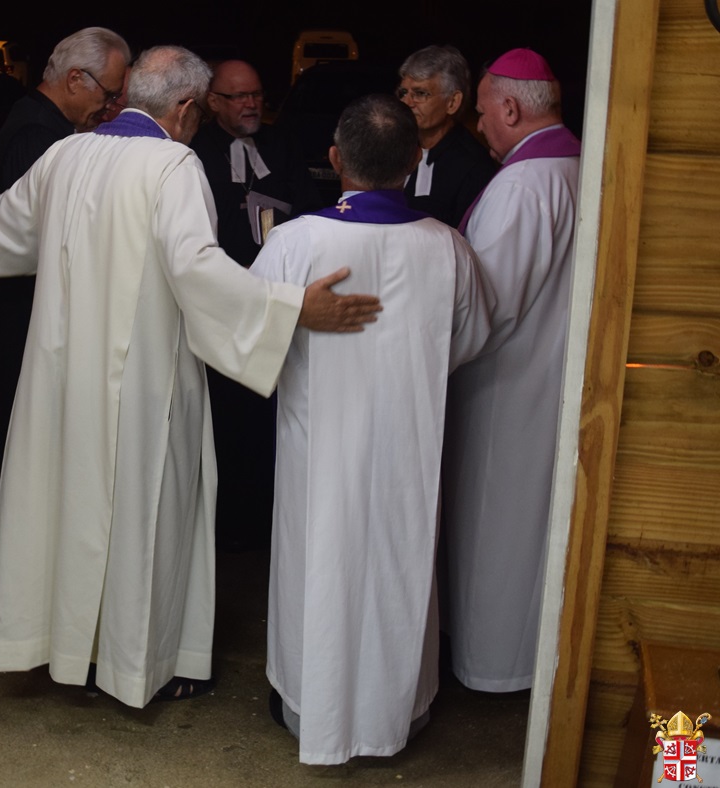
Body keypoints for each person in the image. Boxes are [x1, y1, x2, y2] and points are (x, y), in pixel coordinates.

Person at [0, 45, 383, 709]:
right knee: (149, 514)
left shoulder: (65, 154)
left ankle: (75, 653)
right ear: (185, 109)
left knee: (71, 510)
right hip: (143, 383)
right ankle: (139, 664)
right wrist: (294, 308)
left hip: (63, 383)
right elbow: (197, 271)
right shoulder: (174, 165)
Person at [249, 93, 491, 765]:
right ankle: (399, 711)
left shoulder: (295, 241)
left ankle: (309, 708)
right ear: (414, 162)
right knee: (397, 563)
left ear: (335, 159)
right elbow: (470, 337)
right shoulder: (448, 248)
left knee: (318, 563)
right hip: (408, 441)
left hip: (321, 444)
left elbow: (249, 333)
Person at [442, 48, 582, 693]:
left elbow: (488, 306)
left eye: (481, 112)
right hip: (549, 381)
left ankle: (491, 666)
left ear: (510, 107)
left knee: (497, 530)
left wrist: (426, 353)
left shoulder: (524, 185)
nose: (479, 126)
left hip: (506, 390)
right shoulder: (575, 167)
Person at [190, 60, 322, 551]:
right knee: (224, 416)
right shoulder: (194, 152)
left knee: (268, 413)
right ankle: (224, 528)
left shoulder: (281, 144)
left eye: (257, 94)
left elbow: (308, 209)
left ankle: (267, 522)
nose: (251, 104)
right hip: (220, 301)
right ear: (213, 103)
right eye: (239, 96)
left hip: (275, 300)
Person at [0, 27, 131, 471]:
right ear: (74, 79)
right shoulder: (38, 135)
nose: (109, 107)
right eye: (108, 94)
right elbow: (49, 242)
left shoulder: (42, 120)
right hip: (31, 324)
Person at [397, 45, 498, 227]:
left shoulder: (475, 168)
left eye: (420, 93)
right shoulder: (393, 149)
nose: (407, 102)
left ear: (452, 102)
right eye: (404, 93)